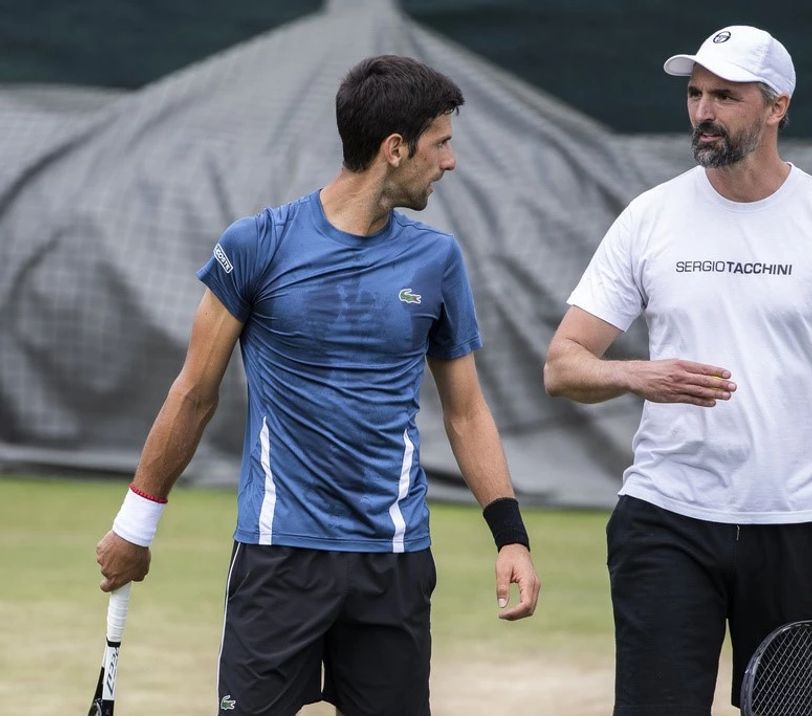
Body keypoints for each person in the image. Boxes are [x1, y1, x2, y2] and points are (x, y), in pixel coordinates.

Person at [96, 55, 540, 716]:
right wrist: (137, 525)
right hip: (278, 561)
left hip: (393, 562)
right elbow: (194, 392)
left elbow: (467, 411)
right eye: (441, 143)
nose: (450, 161)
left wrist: (511, 537)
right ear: (395, 149)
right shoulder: (256, 245)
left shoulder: (438, 260)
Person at [544, 24, 812, 715]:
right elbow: (564, 364)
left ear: (777, 107)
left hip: (797, 530)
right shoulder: (651, 216)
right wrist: (638, 375)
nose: (703, 112)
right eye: (696, 94)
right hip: (665, 520)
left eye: (727, 96)